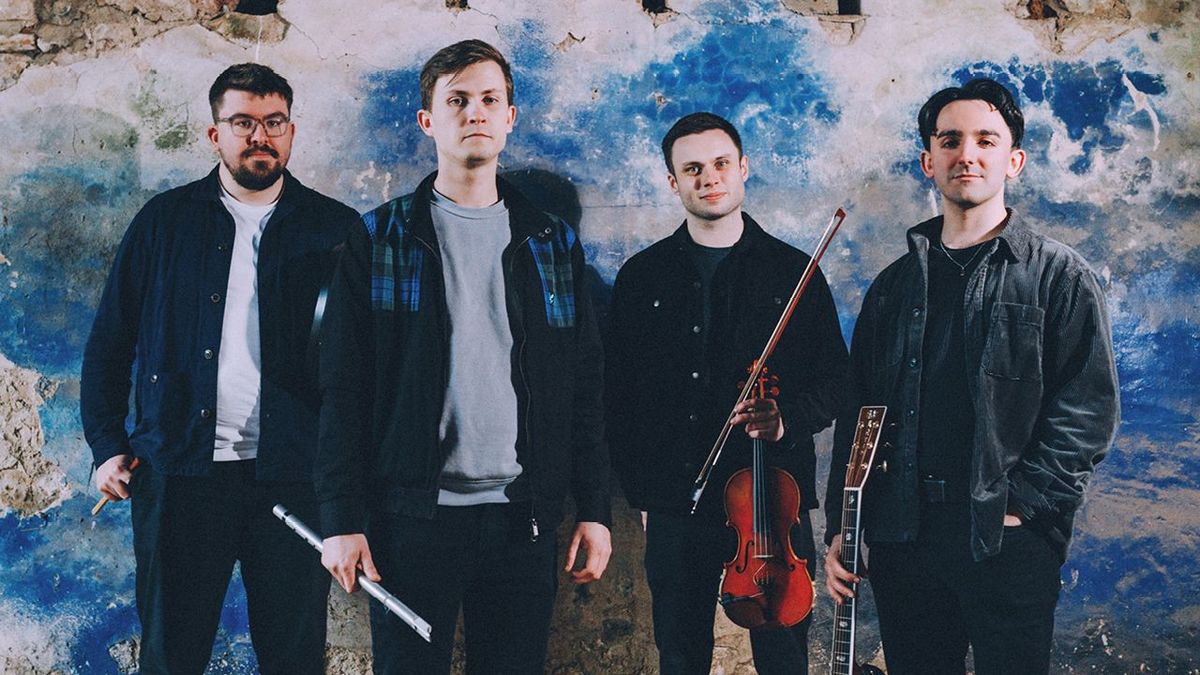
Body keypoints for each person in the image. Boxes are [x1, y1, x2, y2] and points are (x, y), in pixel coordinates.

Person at [314, 39, 612, 674]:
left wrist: (594, 509)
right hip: (409, 519)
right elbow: (344, 387)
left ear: (509, 117)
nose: (475, 111)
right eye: (457, 100)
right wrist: (341, 518)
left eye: (489, 99)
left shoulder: (551, 242)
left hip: (523, 519)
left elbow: (583, 386)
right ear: (428, 121)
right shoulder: (380, 238)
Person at [822, 78, 1120, 675]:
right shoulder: (892, 288)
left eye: (987, 140)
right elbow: (860, 414)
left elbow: (1088, 411)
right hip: (904, 537)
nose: (968, 154)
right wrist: (842, 524)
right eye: (950, 140)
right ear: (928, 160)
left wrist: (1023, 506)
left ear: (1014, 160)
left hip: (1006, 539)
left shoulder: (1059, 276)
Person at [80, 63, 359, 674]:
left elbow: (357, 370)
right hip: (179, 475)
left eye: (275, 122)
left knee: (294, 658)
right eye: (242, 123)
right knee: (170, 656)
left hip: (292, 478)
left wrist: (345, 486)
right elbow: (109, 343)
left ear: (291, 132)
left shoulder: (335, 228)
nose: (260, 136)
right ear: (215, 135)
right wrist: (106, 445)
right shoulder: (164, 222)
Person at [606, 112, 848, 675]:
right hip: (676, 498)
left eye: (720, 163)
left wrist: (788, 418)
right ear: (674, 182)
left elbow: (840, 379)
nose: (709, 177)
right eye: (692, 169)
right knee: (680, 654)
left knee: (783, 658)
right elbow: (618, 394)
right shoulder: (642, 276)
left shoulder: (794, 271)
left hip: (773, 501)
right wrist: (644, 493)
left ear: (743, 168)